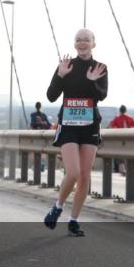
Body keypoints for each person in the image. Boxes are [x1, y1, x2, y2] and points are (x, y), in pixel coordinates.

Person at [42, 29, 108, 237]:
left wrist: (92, 81)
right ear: (74, 44)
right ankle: (58, 206)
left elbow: (102, 96)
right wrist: (60, 76)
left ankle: (74, 220)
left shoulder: (100, 68)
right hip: (69, 125)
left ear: (93, 44)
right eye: (78, 40)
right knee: (73, 172)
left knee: (85, 176)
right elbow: (52, 96)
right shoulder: (66, 65)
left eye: (86, 40)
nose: (82, 43)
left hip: (89, 126)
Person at [107, 105, 134, 174]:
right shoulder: (130, 118)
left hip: (119, 138)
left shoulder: (117, 118)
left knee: (117, 153)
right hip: (128, 139)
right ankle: (128, 168)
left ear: (120, 111)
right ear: (126, 110)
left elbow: (111, 127)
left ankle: (117, 168)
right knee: (128, 154)